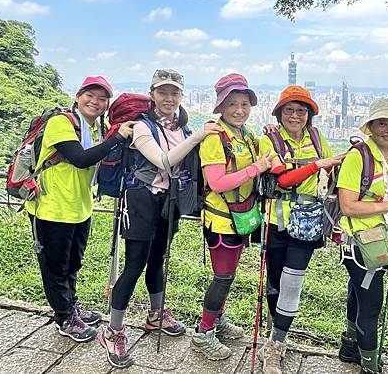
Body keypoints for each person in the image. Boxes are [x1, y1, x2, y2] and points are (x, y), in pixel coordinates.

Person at [99, 69, 222, 369]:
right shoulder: (142, 126)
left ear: (182, 95)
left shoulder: (183, 128)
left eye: (175, 93)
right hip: (141, 199)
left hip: (168, 202)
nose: (169, 98)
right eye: (162, 92)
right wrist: (199, 137)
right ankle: (113, 330)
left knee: (159, 260)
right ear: (152, 94)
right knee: (135, 264)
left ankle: (155, 315)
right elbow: (164, 161)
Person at [25, 76, 135, 342]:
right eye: (90, 95)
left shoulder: (94, 127)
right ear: (78, 96)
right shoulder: (61, 123)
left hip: (80, 207)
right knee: (55, 267)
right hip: (51, 208)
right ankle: (64, 318)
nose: (95, 102)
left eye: (102, 98)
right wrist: (117, 138)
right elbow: (80, 159)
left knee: (72, 263)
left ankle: (71, 307)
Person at [258, 85, 345, 374]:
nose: (295, 116)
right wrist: (319, 164)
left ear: (309, 115)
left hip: (307, 220)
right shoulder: (269, 140)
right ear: (280, 113)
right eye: (289, 110)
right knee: (275, 282)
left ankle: (275, 345)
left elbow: (332, 171)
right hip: (276, 220)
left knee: (292, 282)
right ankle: (276, 336)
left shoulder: (318, 138)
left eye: (301, 110)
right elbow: (282, 179)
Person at [191, 73, 274, 360]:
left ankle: (217, 319)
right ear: (220, 107)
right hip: (221, 218)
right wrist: (256, 169)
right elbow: (217, 182)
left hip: (241, 216)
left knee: (228, 276)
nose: (239, 110)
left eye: (244, 103)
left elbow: (270, 156)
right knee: (222, 278)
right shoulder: (215, 137)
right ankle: (203, 333)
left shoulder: (248, 135)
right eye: (232, 104)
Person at [337, 97, 388, 374]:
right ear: (371, 126)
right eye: (382, 123)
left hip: (384, 241)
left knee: (359, 295)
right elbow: (348, 205)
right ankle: (370, 364)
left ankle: (349, 346)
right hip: (361, 245)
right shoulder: (358, 157)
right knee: (371, 306)